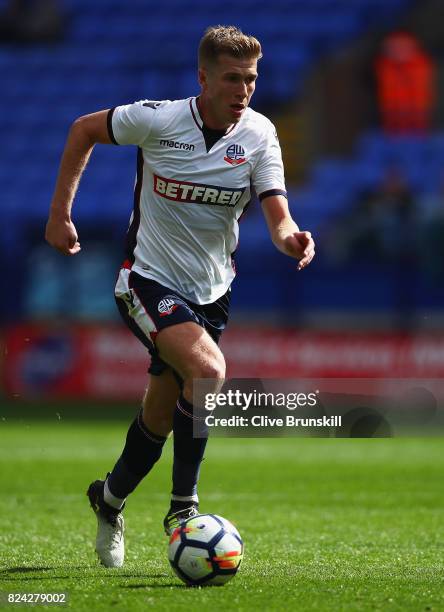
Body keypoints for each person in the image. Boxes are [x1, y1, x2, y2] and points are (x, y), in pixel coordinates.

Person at [45, 25, 315, 568]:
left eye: (252, 79)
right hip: (146, 281)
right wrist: (59, 215)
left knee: (163, 415)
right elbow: (82, 130)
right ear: (204, 77)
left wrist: (292, 240)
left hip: (212, 293)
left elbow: (278, 215)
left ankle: (110, 499)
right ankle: (183, 509)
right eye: (233, 78)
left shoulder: (260, 135)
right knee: (209, 371)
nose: (244, 90)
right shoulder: (159, 119)